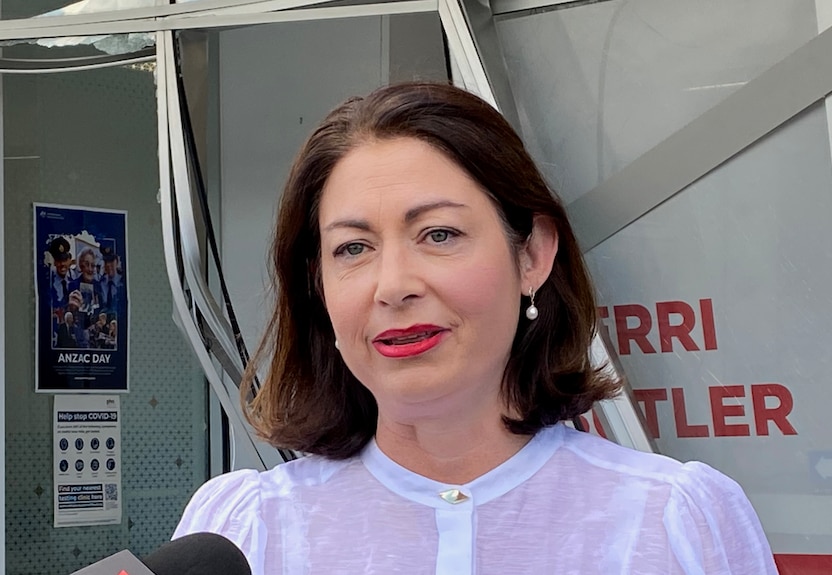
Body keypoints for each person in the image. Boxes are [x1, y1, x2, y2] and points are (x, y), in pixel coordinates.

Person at [174, 83, 777, 574]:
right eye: (353, 248)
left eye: (439, 235)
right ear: (318, 285)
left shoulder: (675, 520)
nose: (393, 286)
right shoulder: (241, 536)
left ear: (533, 255)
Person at [48, 236, 73, 310]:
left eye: (65, 260)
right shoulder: (49, 282)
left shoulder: (75, 279)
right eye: (59, 260)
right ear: (54, 262)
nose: (62, 264)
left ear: (69, 261)